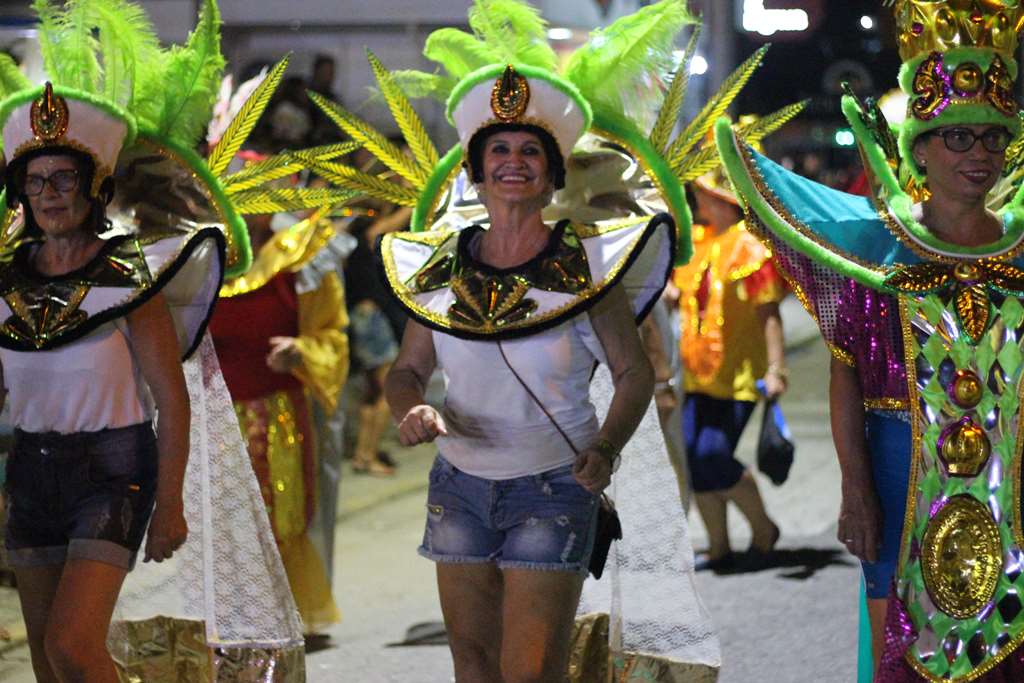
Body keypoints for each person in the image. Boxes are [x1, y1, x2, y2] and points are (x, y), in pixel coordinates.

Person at [715, 0, 1024, 678]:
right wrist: (856, 488)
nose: (978, 156)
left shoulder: (1021, 251)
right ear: (920, 145)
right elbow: (846, 370)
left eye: (992, 138)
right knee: (902, 653)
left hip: (1011, 480)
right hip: (896, 470)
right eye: (959, 137)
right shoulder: (875, 250)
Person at [211, 192, 348, 635]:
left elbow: (333, 333)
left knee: (284, 514)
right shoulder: (204, 258)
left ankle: (285, 617)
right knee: (223, 520)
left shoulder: (301, 258)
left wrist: (301, 350)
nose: (246, 209)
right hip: (217, 417)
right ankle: (235, 616)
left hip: (283, 410)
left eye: (255, 198)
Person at [673, 174, 787, 571]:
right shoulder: (699, 242)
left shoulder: (750, 246)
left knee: (713, 453)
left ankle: (763, 529)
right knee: (693, 457)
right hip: (695, 374)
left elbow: (769, 314)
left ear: (722, 198)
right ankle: (719, 546)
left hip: (739, 375)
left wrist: (776, 368)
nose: (697, 197)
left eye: (703, 191)